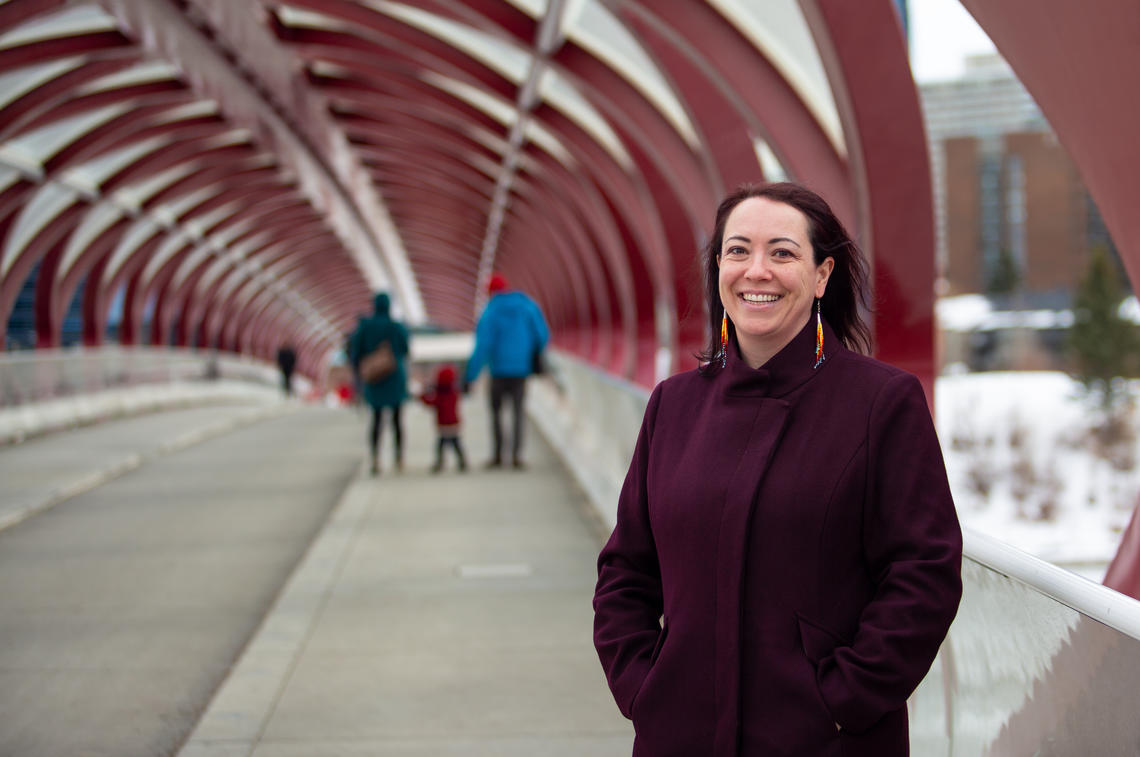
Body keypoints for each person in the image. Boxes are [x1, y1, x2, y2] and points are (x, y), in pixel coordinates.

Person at [592, 182, 963, 756]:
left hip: (824, 742)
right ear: (718, 269)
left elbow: (924, 573)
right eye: (737, 251)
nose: (756, 271)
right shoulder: (674, 405)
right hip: (680, 738)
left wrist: (842, 700)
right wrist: (644, 689)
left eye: (783, 253)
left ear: (821, 276)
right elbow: (626, 570)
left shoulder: (881, 403)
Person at [463, 273, 549, 469]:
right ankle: (517, 457)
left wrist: (470, 376)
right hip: (521, 370)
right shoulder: (527, 305)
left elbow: (483, 345)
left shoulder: (490, 312)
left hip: (498, 372)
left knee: (496, 413)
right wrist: (531, 354)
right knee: (518, 412)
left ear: (490, 292)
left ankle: (498, 456)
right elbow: (543, 334)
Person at [348, 292, 410, 476]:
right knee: (397, 420)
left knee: (376, 420)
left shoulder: (365, 326)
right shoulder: (396, 326)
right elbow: (405, 349)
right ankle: (399, 458)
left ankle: (375, 458)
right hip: (395, 377)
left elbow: (355, 351)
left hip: (374, 378)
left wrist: (360, 372)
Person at [419, 364, 467, 473]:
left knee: (441, 445)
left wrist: (424, 393)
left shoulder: (441, 396)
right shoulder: (454, 393)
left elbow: (429, 402)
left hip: (444, 425)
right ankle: (462, 462)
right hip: (454, 424)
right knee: (456, 443)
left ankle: (440, 463)